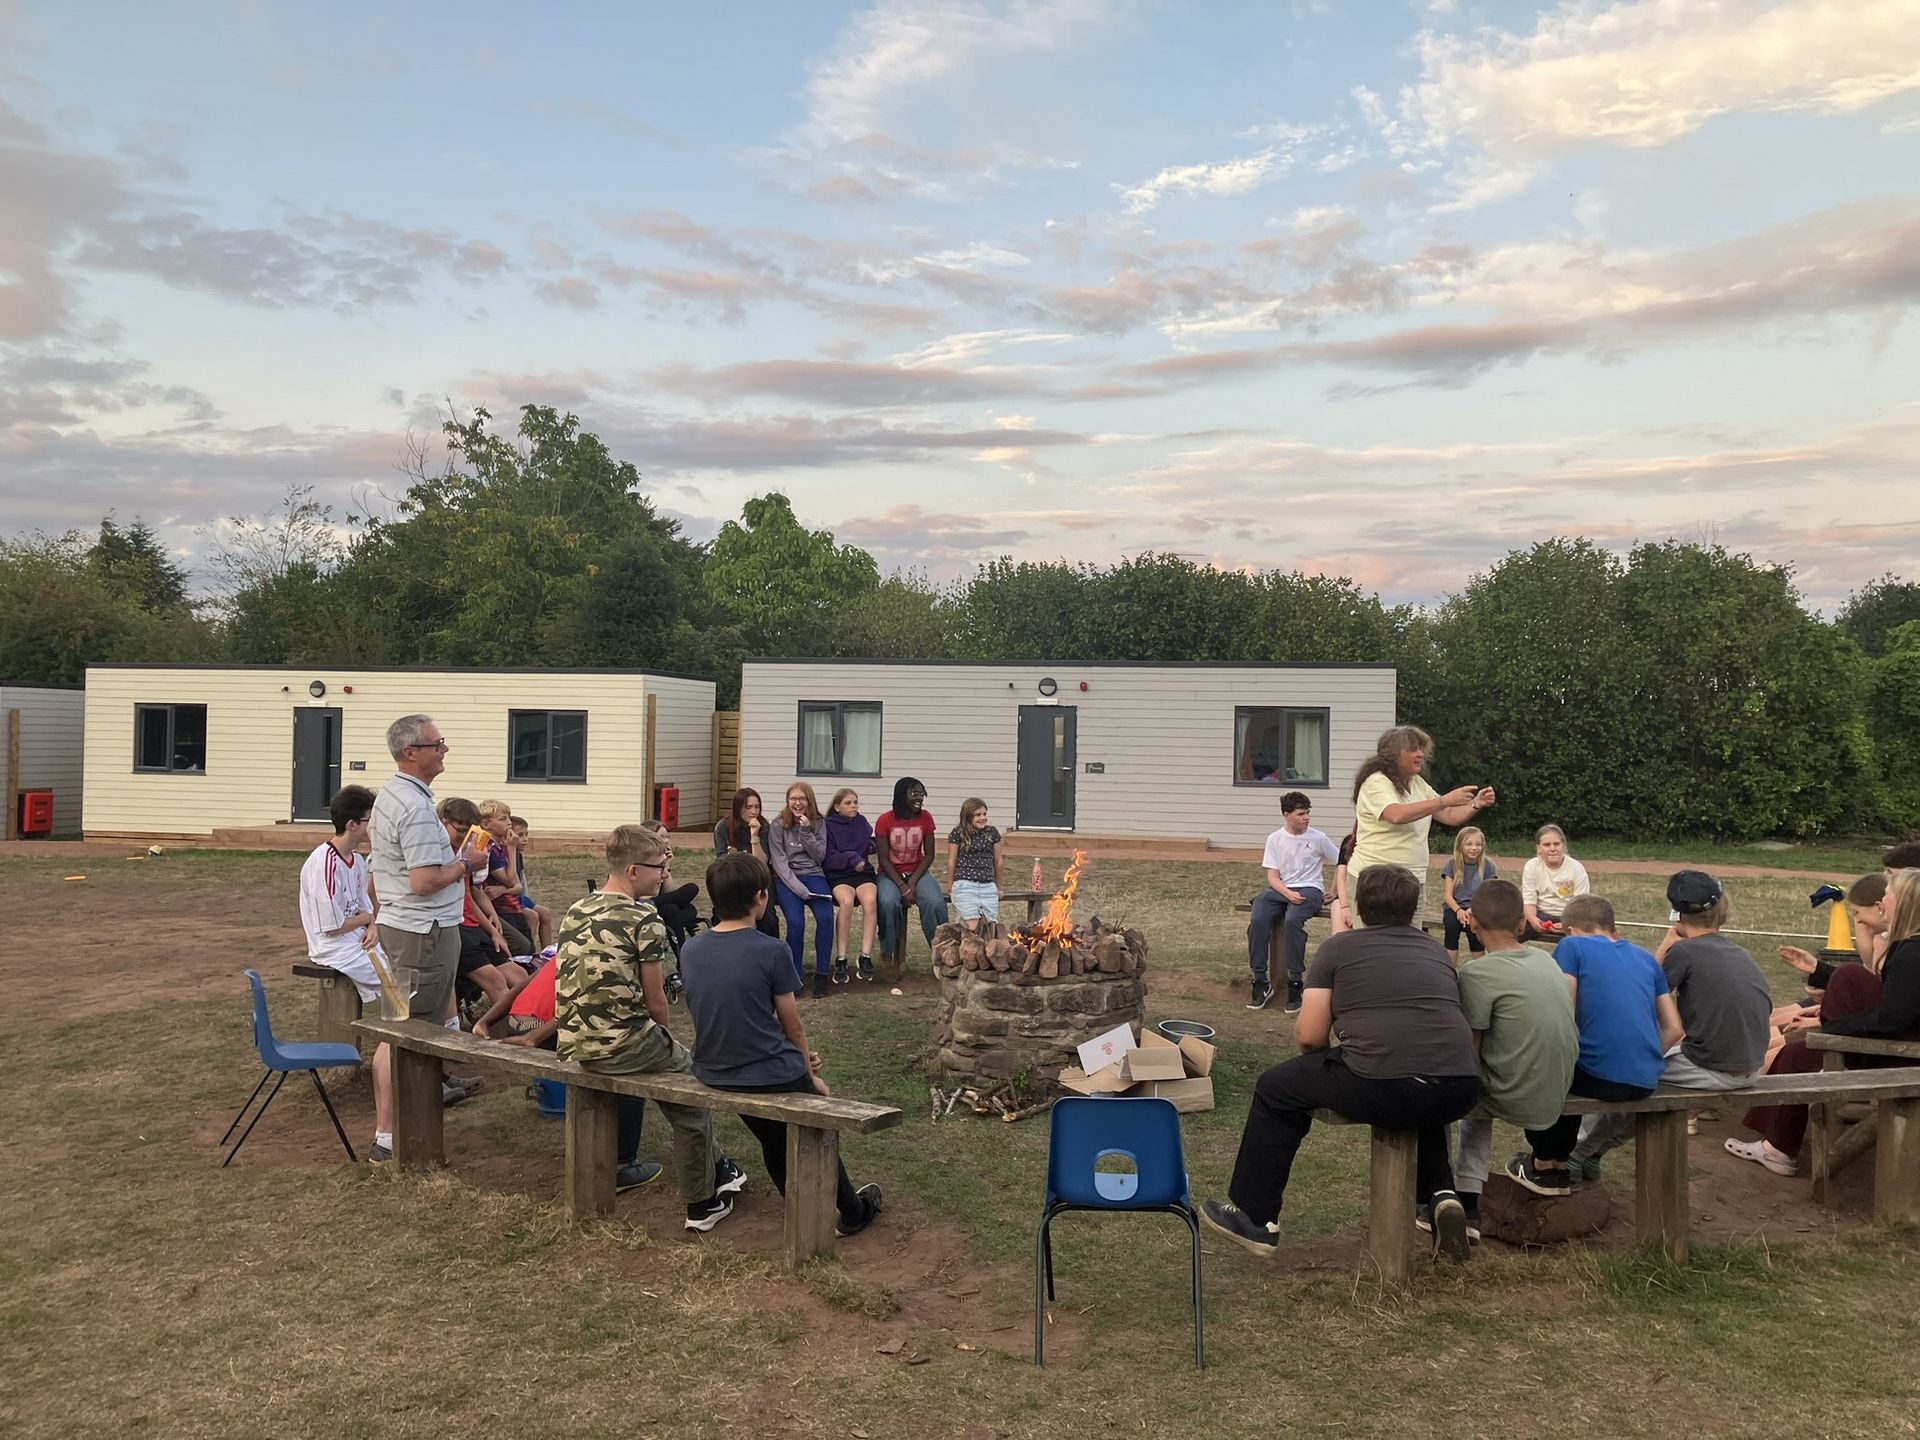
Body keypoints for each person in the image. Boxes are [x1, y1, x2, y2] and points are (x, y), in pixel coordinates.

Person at [1200, 864, 1482, 1262]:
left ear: (1360, 906)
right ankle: (1440, 1195)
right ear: (1413, 907)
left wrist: (1339, 1056)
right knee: (1418, 1082)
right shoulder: (1435, 950)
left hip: (1386, 1081)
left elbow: (1309, 1037)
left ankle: (1255, 1216)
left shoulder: (1338, 948)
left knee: (1275, 1088)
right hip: (1460, 1084)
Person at [680, 853, 883, 1238]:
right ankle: (852, 1211)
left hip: (713, 1069)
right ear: (761, 898)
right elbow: (794, 1027)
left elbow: (727, 1012)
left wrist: (797, 1057)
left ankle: (800, 1205)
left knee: (773, 1136)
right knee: (815, 1128)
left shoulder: (691, 949)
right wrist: (808, 1072)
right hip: (766, 1072)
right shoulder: (772, 950)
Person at [554, 823, 746, 1224]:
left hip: (576, 1043)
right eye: (659, 866)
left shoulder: (576, 909)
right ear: (633, 871)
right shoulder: (644, 917)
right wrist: (666, 1040)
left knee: (677, 1075)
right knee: (692, 1094)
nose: (665, 873)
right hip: (624, 1044)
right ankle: (703, 1201)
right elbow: (657, 999)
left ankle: (722, 1167)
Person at [1569, 870, 1772, 1173]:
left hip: (1710, 1067)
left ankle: (1577, 1152)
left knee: (1620, 1074)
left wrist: (1666, 946)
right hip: (1752, 1067)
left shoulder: (1684, 952)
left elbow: (1639, 995)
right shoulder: (1739, 952)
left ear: (1677, 914)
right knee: (1638, 1086)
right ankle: (1593, 1154)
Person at [1729, 869, 1920, 1177]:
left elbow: (1893, 1016)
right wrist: (1820, 975)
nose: (1882, 900)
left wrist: (1831, 1030)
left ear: (1905, 903)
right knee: (1839, 990)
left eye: (1888, 895)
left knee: (1800, 1051)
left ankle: (1777, 1150)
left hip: (1899, 1055)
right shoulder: (1909, 946)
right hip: (1895, 1044)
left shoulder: (1913, 953)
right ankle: (1776, 1147)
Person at [1514, 895, 1683, 1187]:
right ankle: (1563, 1161)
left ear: (1570, 930)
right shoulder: (1646, 957)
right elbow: (1674, 1028)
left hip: (1596, 1075)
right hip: (1645, 1079)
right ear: (1613, 930)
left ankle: (1547, 1163)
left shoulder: (1572, 946)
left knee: (1553, 1065)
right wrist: (1644, 1058)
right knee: (1569, 1066)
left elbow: (1563, 1013)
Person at [367, 713, 489, 1106]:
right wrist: (466, 863)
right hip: (422, 933)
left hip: (404, 928)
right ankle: (401, 1123)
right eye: (437, 745)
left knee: (400, 1021)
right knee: (411, 1029)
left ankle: (411, 1106)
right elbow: (424, 882)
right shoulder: (416, 809)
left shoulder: (393, 796)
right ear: (410, 752)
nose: (444, 750)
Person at [1443, 879, 1578, 1227]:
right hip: (1561, 1087)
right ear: (1521, 924)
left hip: (1518, 1095)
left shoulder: (1476, 973)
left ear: (1472, 923)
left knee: (1464, 1091)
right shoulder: (1546, 960)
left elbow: (1472, 1048)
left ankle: (1464, 1196)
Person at [298, 784, 395, 1161]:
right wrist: (368, 919)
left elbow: (367, 907)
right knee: (396, 990)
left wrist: (374, 924)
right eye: (370, 820)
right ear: (352, 824)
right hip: (334, 946)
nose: (374, 827)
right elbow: (331, 925)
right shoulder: (324, 862)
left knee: (400, 972)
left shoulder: (356, 859)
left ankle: (400, 1058)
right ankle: (394, 1060)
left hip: (357, 937)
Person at [1347, 726, 1493, 928]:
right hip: (1376, 880)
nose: (1421, 755)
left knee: (1408, 942)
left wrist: (1476, 804)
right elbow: (1396, 814)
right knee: (1374, 942)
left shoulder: (1417, 783)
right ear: (1393, 754)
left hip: (1412, 880)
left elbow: (1449, 815)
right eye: (1413, 749)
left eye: (1422, 749)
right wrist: (1443, 800)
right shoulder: (1376, 782)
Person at [1245, 791, 1339, 1013]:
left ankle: (1295, 982)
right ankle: (1260, 981)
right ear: (1287, 815)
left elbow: (1342, 862)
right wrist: (1287, 894)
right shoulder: (1274, 839)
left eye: (1308, 813)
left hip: (1310, 889)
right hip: (1282, 889)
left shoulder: (1319, 838)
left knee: (1292, 921)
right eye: (1301, 814)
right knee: (1258, 920)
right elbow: (1272, 877)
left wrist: (1334, 890)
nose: (1306, 817)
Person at [440, 796, 531, 1016]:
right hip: (457, 928)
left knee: (520, 976)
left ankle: (528, 1022)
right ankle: (504, 1028)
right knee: (496, 981)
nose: (465, 836)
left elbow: (471, 892)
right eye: (461, 830)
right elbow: (508, 881)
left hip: (474, 924)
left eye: (469, 831)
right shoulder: (442, 856)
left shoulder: (468, 853)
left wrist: (492, 929)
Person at [769, 782, 837, 998]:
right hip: (787, 878)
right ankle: (795, 976)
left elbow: (820, 856)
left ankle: (821, 975)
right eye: (793, 799)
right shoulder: (778, 825)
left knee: (826, 917)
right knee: (796, 922)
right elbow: (779, 863)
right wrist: (800, 890)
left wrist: (806, 832)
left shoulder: (819, 822)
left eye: (802, 799)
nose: (797, 803)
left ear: (809, 801)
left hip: (814, 875)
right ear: (787, 801)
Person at [875, 777, 949, 963]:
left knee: (934, 902)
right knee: (888, 903)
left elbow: (930, 854)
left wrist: (913, 882)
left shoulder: (926, 818)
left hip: (918, 872)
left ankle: (943, 951)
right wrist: (902, 887)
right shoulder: (884, 820)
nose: (919, 798)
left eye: (922, 794)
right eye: (914, 793)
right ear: (901, 795)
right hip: (889, 874)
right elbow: (883, 859)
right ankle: (887, 953)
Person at [479, 799, 552, 952]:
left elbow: (518, 886)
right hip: (501, 908)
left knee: (527, 945)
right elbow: (510, 880)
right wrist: (511, 849)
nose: (509, 823)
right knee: (521, 946)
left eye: (508, 818)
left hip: (511, 906)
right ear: (485, 824)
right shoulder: (490, 849)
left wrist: (503, 889)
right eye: (503, 819)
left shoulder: (500, 847)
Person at [824, 788, 878, 983]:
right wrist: (851, 857)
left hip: (862, 873)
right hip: (839, 874)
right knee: (846, 901)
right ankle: (841, 958)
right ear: (837, 806)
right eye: (848, 803)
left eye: (855, 802)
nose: (853, 806)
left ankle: (865, 956)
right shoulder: (828, 826)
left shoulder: (861, 822)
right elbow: (829, 857)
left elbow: (868, 841)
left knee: (870, 900)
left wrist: (872, 845)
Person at [714, 787, 780, 941]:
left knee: (767, 918)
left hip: (759, 878)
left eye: (757, 807)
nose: (753, 812)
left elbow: (762, 863)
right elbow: (722, 861)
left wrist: (754, 835)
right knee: (723, 913)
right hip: (733, 877)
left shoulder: (764, 826)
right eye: (748, 807)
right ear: (738, 807)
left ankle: (769, 949)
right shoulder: (722, 827)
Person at [1520, 825, 1590, 940]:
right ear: (1538, 848)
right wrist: (1533, 921)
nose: (1552, 849)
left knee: (1589, 935)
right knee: (1510, 932)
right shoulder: (1531, 866)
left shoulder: (1576, 868)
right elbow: (1529, 901)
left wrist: (1569, 924)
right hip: (1539, 914)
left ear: (1563, 845)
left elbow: (1581, 906)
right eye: (1547, 845)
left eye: (1556, 844)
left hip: (1569, 916)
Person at [945, 797, 1005, 932]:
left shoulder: (992, 833)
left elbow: (998, 861)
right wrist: (950, 887)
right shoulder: (958, 833)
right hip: (965, 884)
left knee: (990, 927)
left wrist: (999, 887)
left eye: (984, 814)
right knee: (972, 926)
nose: (983, 818)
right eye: (978, 815)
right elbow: (951, 861)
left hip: (988, 885)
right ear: (968, 816)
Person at [1440, 826, 1497, 963]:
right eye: (1469, 844)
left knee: (1474, 931)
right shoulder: (1452, 863)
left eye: (1478, 844)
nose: (1474, 848)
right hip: (1455, 907)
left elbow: (1488, 895)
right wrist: (1459, 911)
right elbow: (1448, 896)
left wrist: (1473, 909)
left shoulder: (1488, 864)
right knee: (1451, 927)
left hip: (1478, 907)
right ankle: (1450, 969)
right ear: (1460, 845)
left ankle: (1481, 970)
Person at [1329, 828, 1357, 934]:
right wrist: (1345, 906)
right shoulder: (1349, 841)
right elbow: (1341, 873)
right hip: (1349, 895)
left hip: (1374, 898)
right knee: (1337, 907)